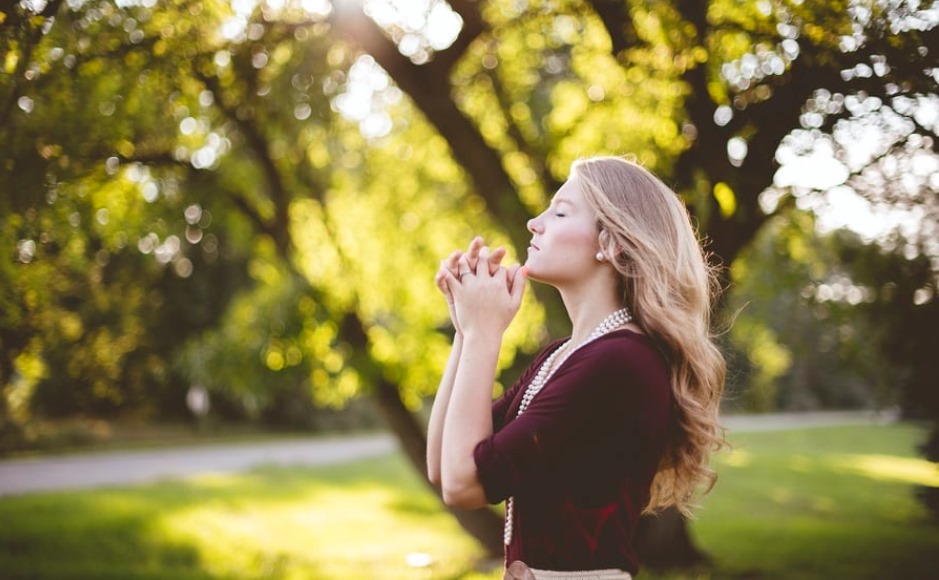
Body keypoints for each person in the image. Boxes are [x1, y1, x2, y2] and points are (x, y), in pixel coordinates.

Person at [426, 156, 726, 579]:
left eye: (560, 212)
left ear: (612, 243)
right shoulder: (564, 355)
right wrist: (466, 328)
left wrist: (484, 333)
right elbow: (443, 465)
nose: (535, 221)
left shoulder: (618, 363)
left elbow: (464, 485)